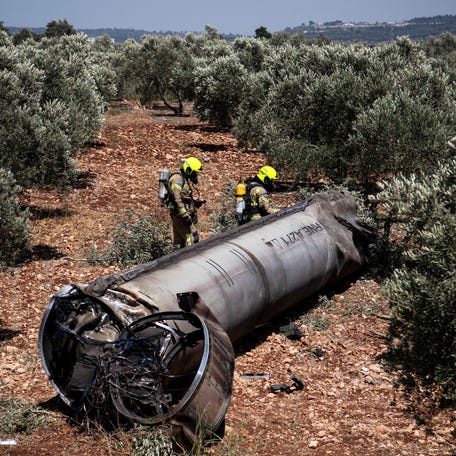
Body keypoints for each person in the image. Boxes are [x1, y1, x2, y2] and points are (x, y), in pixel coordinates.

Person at [167, 157, 206, 248]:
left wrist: (196, 203)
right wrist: (186, 217)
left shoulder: (184, 180)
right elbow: (177, 200)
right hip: (181, 218)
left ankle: (176, 261)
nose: (195, 175)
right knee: (192, 240)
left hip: (182, 217)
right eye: (194, 172)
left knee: (178, 244)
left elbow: (184, 199)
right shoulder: (177, 179)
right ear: (188, 170)